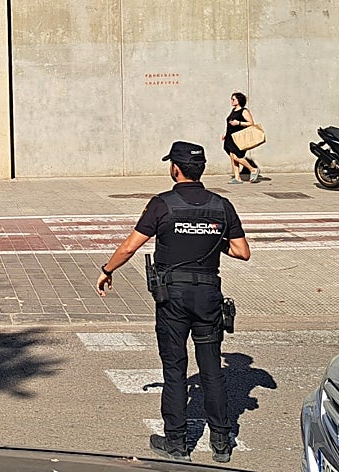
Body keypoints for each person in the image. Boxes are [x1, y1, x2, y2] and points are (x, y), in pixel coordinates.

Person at [95, 141, 251, 463]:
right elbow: (241, 251)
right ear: (201, 169)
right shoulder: (222, 206)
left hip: (173, 299)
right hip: (208, 297)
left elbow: (130, 246)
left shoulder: (161, 204)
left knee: (175, 369)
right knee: (211, 369)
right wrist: (211, 236)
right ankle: (221, 444)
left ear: (175, 169)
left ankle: (177, 443)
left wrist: (107, 270)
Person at [223, 92, 261, 184]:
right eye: (231, 99)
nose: (231, 101)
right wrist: (225, 134)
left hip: (238, 138)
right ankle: (237, 177)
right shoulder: (233, 110)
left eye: (233, 99)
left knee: (236, 157)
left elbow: (251, 123)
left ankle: (253, 169)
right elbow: (229, 123)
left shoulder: (244, 111)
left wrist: (239, 123)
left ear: (239, 100)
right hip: (230, 137)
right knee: (232, 157)